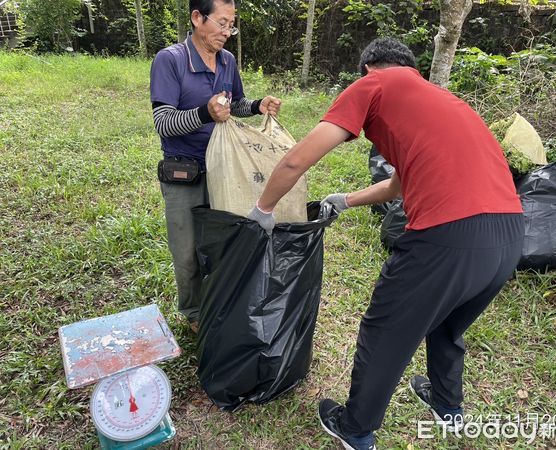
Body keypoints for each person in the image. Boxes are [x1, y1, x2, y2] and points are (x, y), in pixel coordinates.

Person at [248, 38, 524, 450]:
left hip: (446, 238)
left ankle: (355, 427)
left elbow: (296, 159)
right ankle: (447, 407)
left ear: (368, 68)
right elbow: (399, 183)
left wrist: (263, 210)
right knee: (447, 324)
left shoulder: (374, 85)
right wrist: (345, 200)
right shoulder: (444, 100)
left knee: (385, 329)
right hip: (509, 235)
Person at [150, 0, 281, 331]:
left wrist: (256, 105)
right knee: (187, 251)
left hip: (225, 168)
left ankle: (222, 301)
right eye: (222, 24)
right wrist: (204, 114)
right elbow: (163, 122)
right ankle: (194, 312)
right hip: (186, 172)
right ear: (197, 17)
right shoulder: (170, 61)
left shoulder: (227, 60)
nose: (227, 33)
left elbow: (233, 104)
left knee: (224, 242)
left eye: (231, 25)